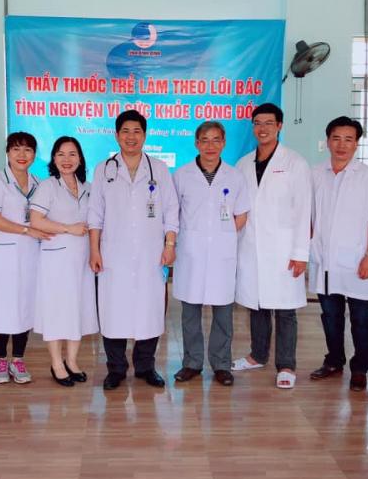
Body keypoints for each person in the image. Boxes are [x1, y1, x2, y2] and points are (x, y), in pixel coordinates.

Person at [88, 110, 179, 390]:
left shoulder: (159, 169)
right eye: (125, 131)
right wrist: (94, 250)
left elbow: (171, 210)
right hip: (113, 254)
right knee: (113, 311)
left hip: (151, 253)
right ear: (117, 135)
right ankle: (116, 369)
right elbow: (95, 214)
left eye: (137, 131)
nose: (131, 137)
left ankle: (145, 367)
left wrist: (170, 244)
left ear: (145, 135)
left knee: (149, 310)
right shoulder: (103, 169)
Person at [231, 103, 312, 389]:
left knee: (285, 309)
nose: (262, 128)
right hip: (251, 247)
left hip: (283, 249)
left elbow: (304, 210)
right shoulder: (243, 164)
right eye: (257, 123)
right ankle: (258, 355)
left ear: (279, 126)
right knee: (257, 305)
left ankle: (286, 364)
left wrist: (300, 253)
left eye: (268, 123)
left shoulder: (295, 163)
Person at [308, 116, 368, 392]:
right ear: (327, 141)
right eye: (336, 138)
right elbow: (308, 214)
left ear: (356, 144)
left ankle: (360, 367)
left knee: (360, 318)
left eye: (348, 139)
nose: (342, 145)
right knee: (330, 315)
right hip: (325, 259)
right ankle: (334, 360)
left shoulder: (367, 177)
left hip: (357, 260)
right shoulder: (316, 173)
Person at [172, 122, 249, 387]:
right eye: (205, 140)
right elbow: (173, 213)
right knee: (190, 313)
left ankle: (221, 364)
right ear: (196, 143)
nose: (210, 146)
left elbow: (241, 214)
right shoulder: (181, 175)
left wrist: (221, 236)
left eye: (216, 140)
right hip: (190, 252)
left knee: (223, 314)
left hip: (221, 253)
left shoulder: (235, 176)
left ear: (224, 143)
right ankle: (192, 363)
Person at [0, 132, 51, 385]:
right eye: (16, 149)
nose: (22, 155)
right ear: (7, 152)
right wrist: (26, 230)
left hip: (31, 254)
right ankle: (0, 358)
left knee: (25, 306)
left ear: (34, 155)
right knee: (3, 305)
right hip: (4, 254)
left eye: (28, 150)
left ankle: (18, 359)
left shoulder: (38, 183)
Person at [30, 137, 98, 387]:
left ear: (80, 158)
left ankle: (72, 361)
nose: (66, 160)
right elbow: (36, 220)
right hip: (56, 260)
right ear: (53, 159)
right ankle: (57, 364)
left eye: (72, 154)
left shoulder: (89, 187)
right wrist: (68, 228)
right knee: (57, 311)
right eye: (61, 154)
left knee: (77, 309)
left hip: (82, 260)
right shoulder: (48, 186)